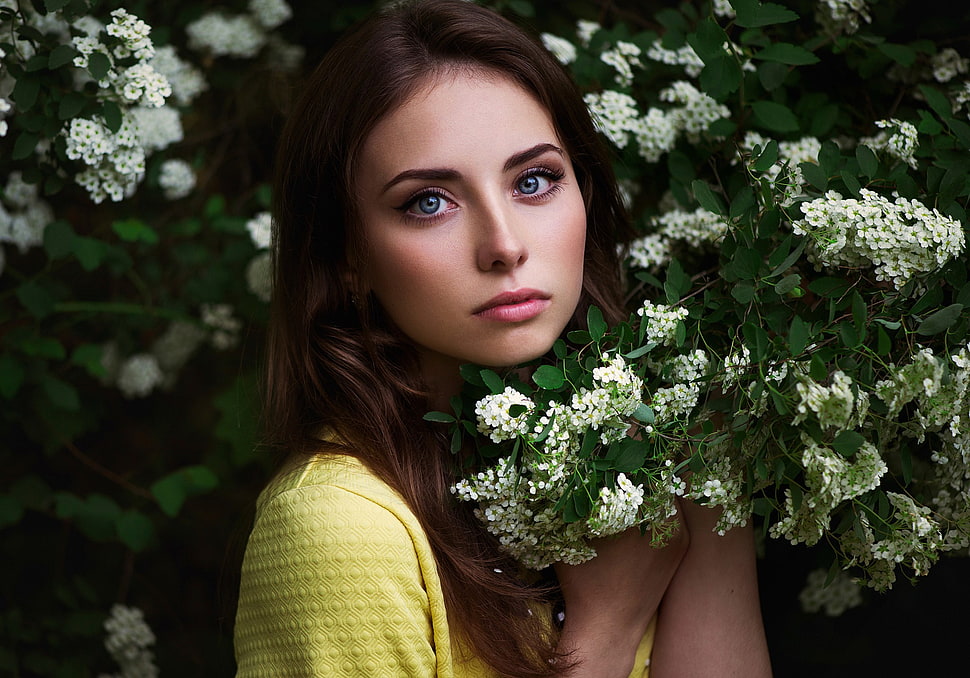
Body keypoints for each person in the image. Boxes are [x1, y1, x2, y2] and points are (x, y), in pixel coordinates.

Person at [232, 1, 772, 676]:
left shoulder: (639, 457)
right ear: (347, 255)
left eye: (534, 180)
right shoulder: (340, 528)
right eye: (428, 201)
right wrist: (605, 630)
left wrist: (707, 490)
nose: (504, 246)